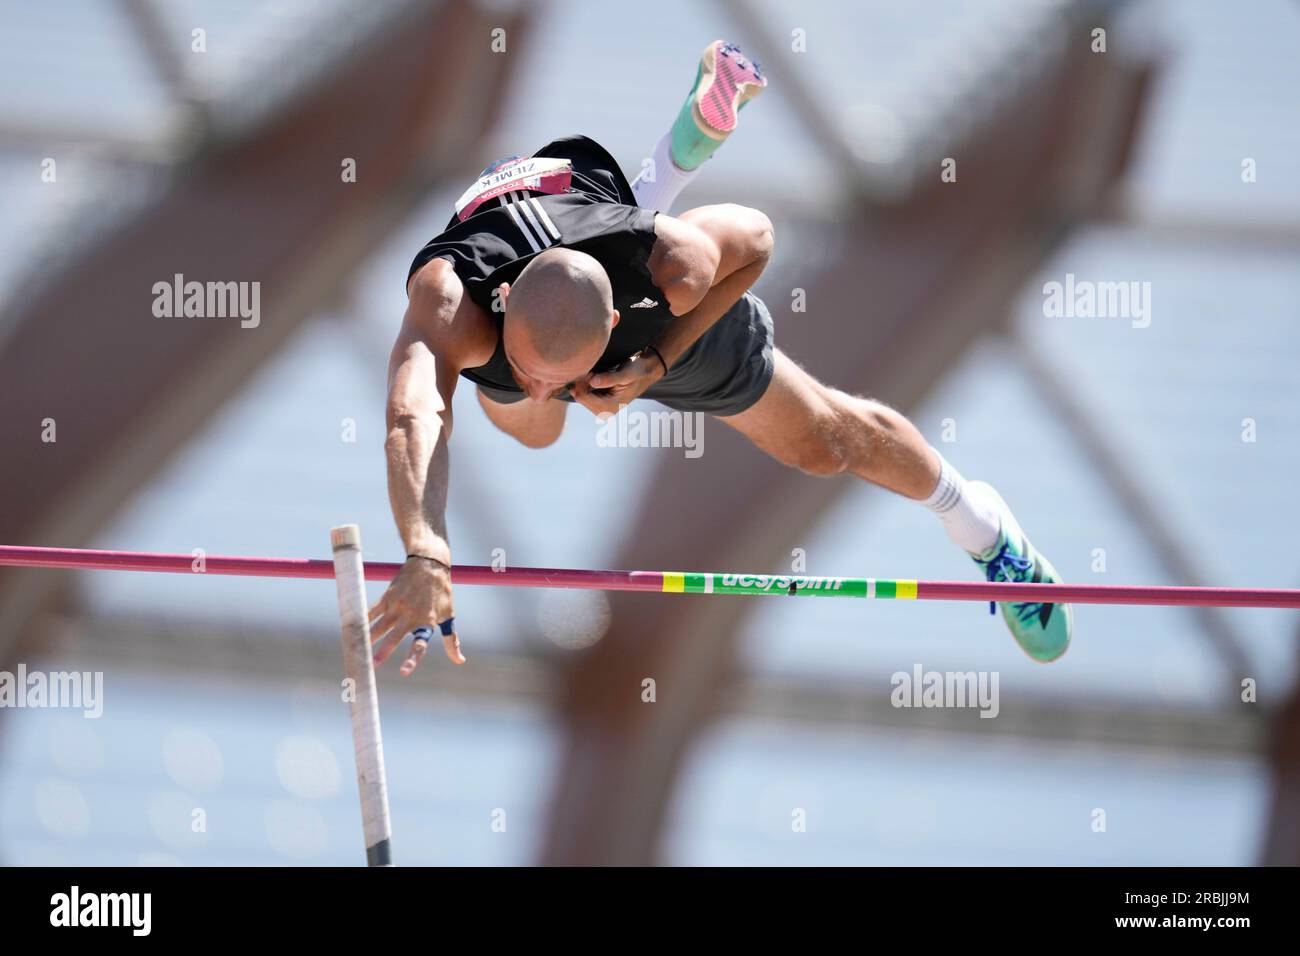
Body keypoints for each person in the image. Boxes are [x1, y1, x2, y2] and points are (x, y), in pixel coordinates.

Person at [372, 41, 1073, 675]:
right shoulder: (451, 301)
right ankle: (666, 171)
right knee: (533, 424)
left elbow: (757, 238)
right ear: (500, 300)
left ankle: (983, 526)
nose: (554, 383)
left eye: (564, 374)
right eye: (534, 368)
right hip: (528, 230)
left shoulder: (666, 266)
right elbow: (413, 415)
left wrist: (658, 358)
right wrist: (427, 547)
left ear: (616, 318)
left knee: (824, 442)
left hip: (616, 266)